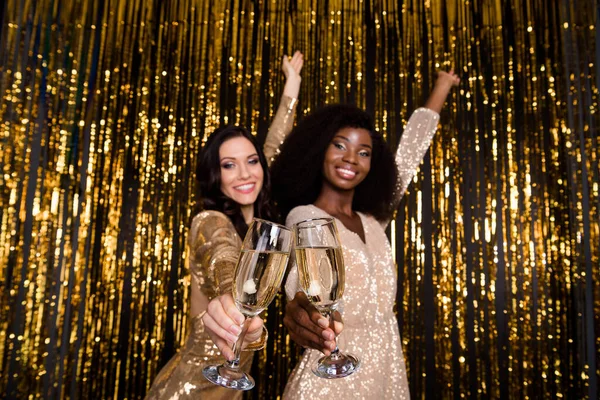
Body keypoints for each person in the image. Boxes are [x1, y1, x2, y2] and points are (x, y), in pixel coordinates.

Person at [270, 71, 460, 399]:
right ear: (319, 150)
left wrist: (442, 86)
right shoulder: (305, 217)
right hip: (334, 377)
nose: (351, 159)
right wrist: (306, 310)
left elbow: (409, 156)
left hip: (387, 367)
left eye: (364, 152)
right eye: (340, 145)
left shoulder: (372, 222)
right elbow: (303, 282)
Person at [145, 51, 303, 400]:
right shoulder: (209, 221)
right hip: (191, 389)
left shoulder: (259, 222)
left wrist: (292, 84)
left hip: (231, 389)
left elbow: (273, 147)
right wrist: (232, 299)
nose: (245, 173)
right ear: (215, 176)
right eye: (229, 165)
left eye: (251, 162)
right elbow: (223, 257)